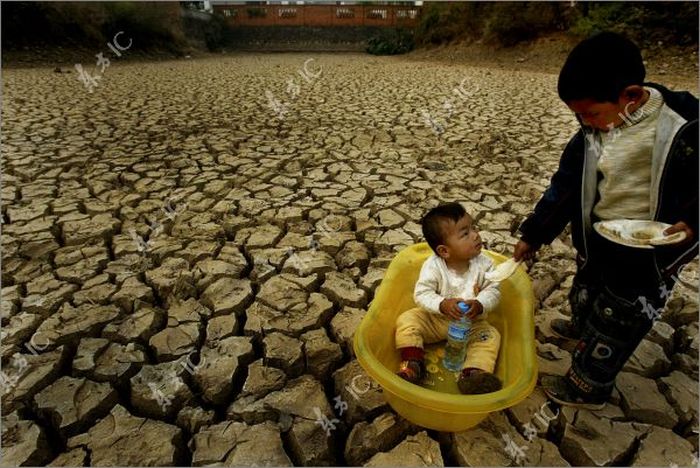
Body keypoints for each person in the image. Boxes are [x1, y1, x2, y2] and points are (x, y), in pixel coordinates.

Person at [514, 32, 698, 409]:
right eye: (578, 116)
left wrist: (692, 222)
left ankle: (589, 385)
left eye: (591, 113)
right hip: (599, 240)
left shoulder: (685, 127)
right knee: (586, 294)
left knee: (619, 318)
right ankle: (585, 328)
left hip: (651, 254)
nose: (585, 123)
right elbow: (564, 188)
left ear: (630, 96)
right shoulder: (591, 135)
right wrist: (535, 233)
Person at [395, 202, 503, 394]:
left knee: (490, 336)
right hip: (436, 320)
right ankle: (413, 361)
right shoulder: (434, 266)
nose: (476, 235)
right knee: (407, 320)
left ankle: (473, 374)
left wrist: (480, 304)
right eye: (465, 234)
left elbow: (494, 290)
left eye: (473, 227)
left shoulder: (485, 264)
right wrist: (442, 304)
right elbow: (422, 294)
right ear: (444, 251)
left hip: (471, 324)